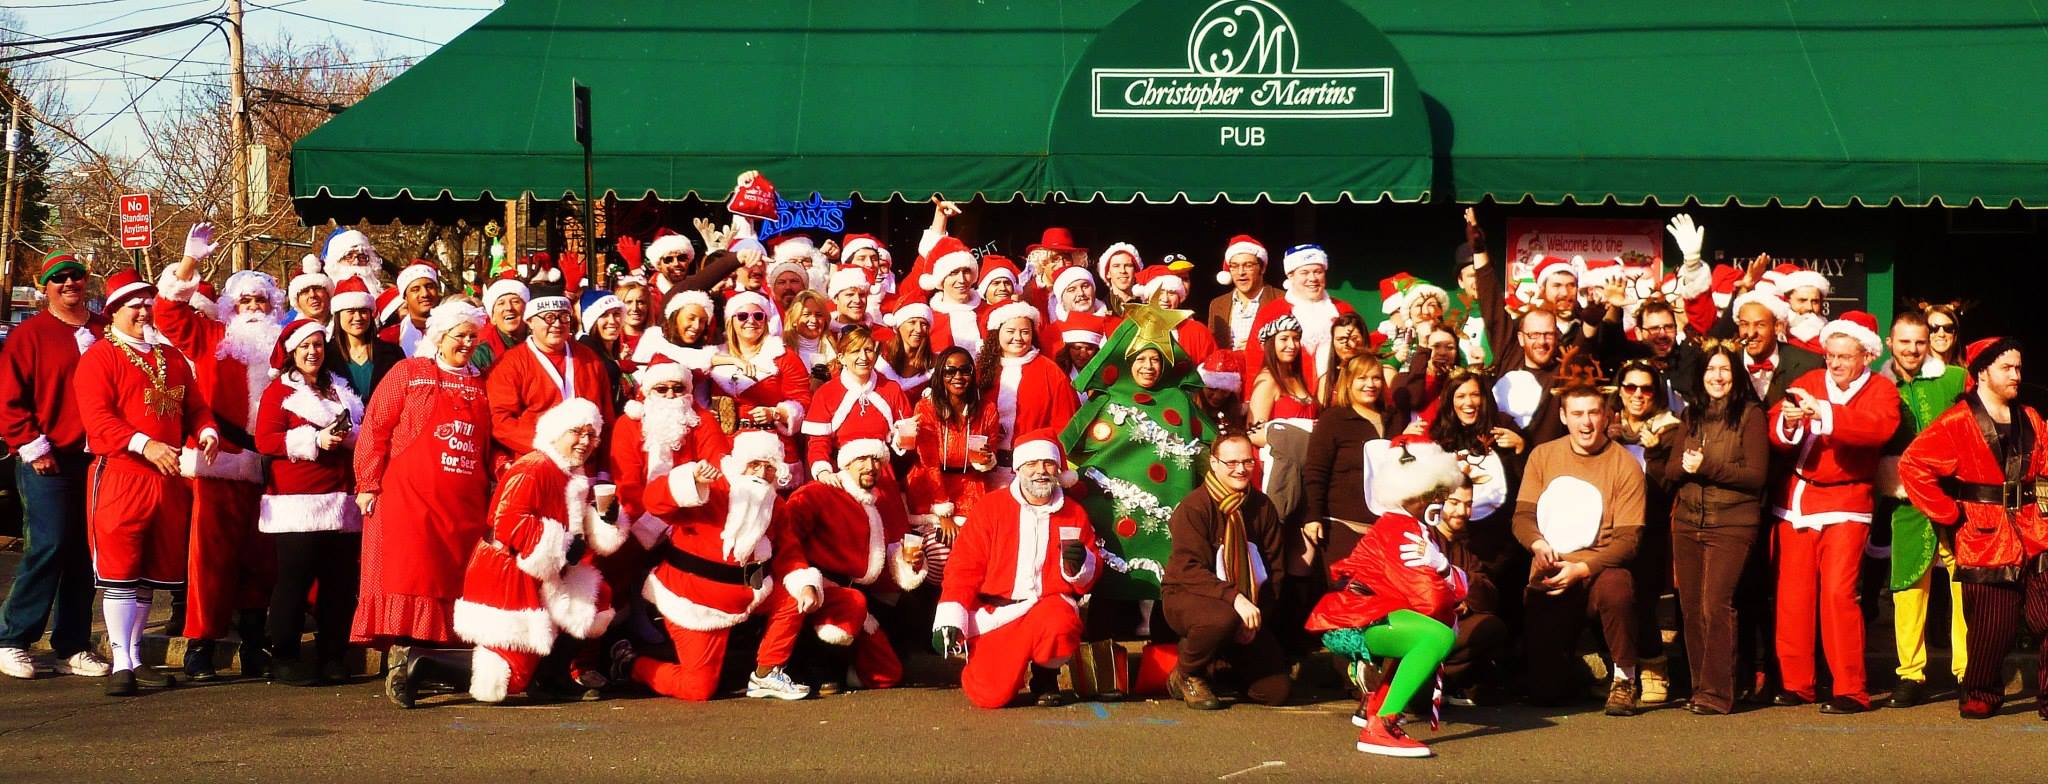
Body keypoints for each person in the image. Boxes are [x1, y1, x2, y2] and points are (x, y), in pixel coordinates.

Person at [75, 269, 221, 695]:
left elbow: (195, 407)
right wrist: (145, 444)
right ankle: (121, 662)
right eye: (133, 303)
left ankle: (137, 657)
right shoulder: (100, 358)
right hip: (122, 474)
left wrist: (207, 431)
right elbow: (98, 419)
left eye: (146, 302)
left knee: (147, 575)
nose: (143, 310)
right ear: (114, 311)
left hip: (167, 479)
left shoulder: (170, 357)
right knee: (120, 571)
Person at [153, 224, 282, 680]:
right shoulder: (211, 337)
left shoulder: (283, 345)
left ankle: (252, 643)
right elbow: (167, 313)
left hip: (268, 467)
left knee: (261, 559)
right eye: (244, 302)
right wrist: (190, 262)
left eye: (260, 302)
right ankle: (201, 646)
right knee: (209, 560)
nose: (252, 309)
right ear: (230, 307)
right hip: (218, 462)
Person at [354, 301, 496, 707]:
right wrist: (367, 482)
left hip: (464, 504)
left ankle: (439, 664)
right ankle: (402, 665)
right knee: (412, 577)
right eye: (460, 336)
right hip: (407, 500)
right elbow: (376, 428)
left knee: (453, 582)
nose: (467, 344)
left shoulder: (481, 383)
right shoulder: (409, 374)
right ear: (439, 336)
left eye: (473, 336)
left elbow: (490, 444)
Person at [1898, 337, 2048, 719]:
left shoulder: (2030, 417)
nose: (2016, 375)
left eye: (2018, 368)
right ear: (1983, 372)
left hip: (2032, 530)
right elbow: (1913, 465)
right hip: (1983, 536)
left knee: (2046, 617)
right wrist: (1948, 513)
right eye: (2007, 368)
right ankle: (1980, 692)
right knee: (1990, 629)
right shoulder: (1957, 421)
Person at [614, 430, 822, 702]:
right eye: (755, 464)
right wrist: (689, 482)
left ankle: (767, 673)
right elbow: (654, 502)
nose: (761, 472)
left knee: (798, 592)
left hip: (750, 595)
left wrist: (805, 584)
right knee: (697, 689)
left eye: (769, 467)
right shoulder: (710, 491)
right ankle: (631, 664)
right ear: (739, 464)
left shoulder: (775, 506)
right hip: (695, 603)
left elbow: (789, 553)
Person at [1767, 311, 1901, 714]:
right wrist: (1789, 421)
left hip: (1847, 502)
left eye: (1845, 356)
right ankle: (1797, 683)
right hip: (1798, 501)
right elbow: (1777, 426)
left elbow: (1876, 428)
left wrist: (1822, 413)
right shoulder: (1808, 382)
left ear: (1866, 356)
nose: (1836, 364)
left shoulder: (1881, 390)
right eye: (1831, 356)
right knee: (1793, 596)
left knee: (1840, 595)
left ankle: (1850, 688)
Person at [1307, 438, 1469, 758]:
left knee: (1423, 633)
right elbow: (1431, 601)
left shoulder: (1413, 526)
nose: (1438, 498)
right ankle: (1383, 725)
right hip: (1355, 620)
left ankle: (1376, 707)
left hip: (1366, 613)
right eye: (1433, 491)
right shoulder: (1402, 528)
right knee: (1434, 637)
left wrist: (1444, 570)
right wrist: (1448, 577)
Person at [454, 399, 625, 703]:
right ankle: (420, 662)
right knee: (510, 676)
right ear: (556, 432)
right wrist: (565, 545)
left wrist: (605, 519)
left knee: (597, 599)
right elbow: (508, 522)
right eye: (577, 432)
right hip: (505, 570)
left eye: (591, 435)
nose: (585, 442)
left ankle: (553, 675)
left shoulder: (570, 472)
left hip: (537, 569)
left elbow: (575, 524)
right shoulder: (534, 467)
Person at [1061, 304, 1215, 628]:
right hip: (1114, 518)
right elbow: (1069, 450)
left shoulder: (1180, 402)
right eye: (1141, 358)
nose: (1148, 366)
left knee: (1169, 592)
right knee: (1113, 596)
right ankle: (1105, 665)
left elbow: (1206, 453)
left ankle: (1168, 660)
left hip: (1169, 518)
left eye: (1156, 358)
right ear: (1128, 360)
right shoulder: (1105, 400)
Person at [0, 252, 113, 680]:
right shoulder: (29, 335)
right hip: (46, 457)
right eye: (59, 279)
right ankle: (12, 637)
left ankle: (73, 643)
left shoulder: (106, 330)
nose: (69, 284)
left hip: (98, 458)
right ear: (44, 285)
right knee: (48, 544)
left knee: (84, 552)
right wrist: (32, 445)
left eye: (76, 277)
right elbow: (9, 400)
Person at [931, 428, 1102, 709]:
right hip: (997, 613)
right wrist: (951, 616)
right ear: (1019, 468)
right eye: (1032, 464)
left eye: (1048, 463)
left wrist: (1080, 564)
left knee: (1060, 621)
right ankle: (997, 661)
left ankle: (1046, 676)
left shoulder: (1073, 512)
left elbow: (1087, 580)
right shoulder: (991, 508)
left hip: (1045, 609)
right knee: (989, 696)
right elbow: (964, 567)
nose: (1041, 471)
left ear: (1058, 469)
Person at [1515, 384, 1647, 715]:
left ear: (1606, 416)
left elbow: (1628, 541)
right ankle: (1580, 666)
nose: (1585, 423)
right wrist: (1537, 542)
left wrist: (1582, 569)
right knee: (1546, 695)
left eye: (1592, 413)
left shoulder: (1625, 465)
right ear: (1563, 417)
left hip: (1598, 572)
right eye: (1577, 414)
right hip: (1551, 574)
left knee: (1619, 586)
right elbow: (1522, 517)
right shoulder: (1543, 456)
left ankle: (1624, 678)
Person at [252, 319, 364, 686]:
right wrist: (314, 441)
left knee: (339, 583)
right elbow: (266, 440)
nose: (313, 352)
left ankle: (333, 653)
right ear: (292, 353)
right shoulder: (278, 392)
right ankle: (283, 655)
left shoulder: (340, 389)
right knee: (294, 582)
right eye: (305, 347)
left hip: (341, 501)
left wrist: (346, 438)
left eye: (318, 345)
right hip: (297, 503)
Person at [1662, 339, 1769, 714]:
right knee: (1691, 608)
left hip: (1732, 523)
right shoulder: (1691, 415)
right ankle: (1700, 687)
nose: (1717, 376)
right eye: (1710, 369)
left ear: (1736, 374)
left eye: (1724, 369)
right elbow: (1673, 470)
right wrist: (1685, 464)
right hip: (1689, 521)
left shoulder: (1751, 414)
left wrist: (1706, 466)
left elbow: (1755, 477)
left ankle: (1718, 694)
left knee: (1716, 605)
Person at [1876, 311, 1970, 708]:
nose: (1913, 349)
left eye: (1920, 341)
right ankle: (1911, 674)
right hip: (1906, 501)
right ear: (1889, 343)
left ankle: (1969, 672)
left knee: (1965, 585)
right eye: (1905, 342)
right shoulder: (1878, 387)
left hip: (1955, 498)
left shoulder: (1955, 379)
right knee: (1908, 589)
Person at [782, 440, 927, 693]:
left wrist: (909, 562)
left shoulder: (872, 502)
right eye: (862, 460)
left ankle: (847, 664)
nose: (870, 467)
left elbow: (881, 553)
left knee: (888, 672)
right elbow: (786, 537)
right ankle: (811, 665)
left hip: (855, 591)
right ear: (846, 464)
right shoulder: (817, 492)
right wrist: (805, 581)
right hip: (818, 592)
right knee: (853, 603)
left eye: (876, 461)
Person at [1161, 434, 1290, 711]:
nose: (1240, 469)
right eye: (1231, 462)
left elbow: (1275, 570)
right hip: (1189, 596)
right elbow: (1188, 569)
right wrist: (1235, 598)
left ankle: (1219, 665)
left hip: (1245, 608)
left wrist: (1257, 615)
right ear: (1214, 464)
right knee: (1221, 618)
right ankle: (1186, 673)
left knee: (1275, 692)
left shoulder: (1262, 506)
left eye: (1247, 461)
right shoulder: (1195, 507)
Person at [1426, 369, 1523, 622]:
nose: (1468, 403)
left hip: (1502, 541)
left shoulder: (1503, 428)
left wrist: (1522, 448)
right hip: (1461, 543)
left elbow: (1527, 481)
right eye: (1460, 396)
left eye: (1474, 395)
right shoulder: (1439, 437)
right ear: (1450, 401)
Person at [1611, 358, 1681, 702]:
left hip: (1649, 527)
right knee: (1613, 598)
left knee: (1642, 601)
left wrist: (1653, 451)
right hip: (1607, 526)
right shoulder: (1605, 427)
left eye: (1646, 388)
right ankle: (1621, 673)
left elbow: (1666, 485)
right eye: (1630, 387)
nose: (1637, 394)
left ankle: (1654, 667)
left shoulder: (1670, 430)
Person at [483, 295, 617, 472]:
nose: (557, 324)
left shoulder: (589, 359)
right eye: (548, 317)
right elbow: (501, 422)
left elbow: (606, 420)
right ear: (530, 321)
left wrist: (604, 471)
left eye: (563, 317)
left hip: (586, 468)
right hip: (538, 464)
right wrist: (551, 445)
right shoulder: (509, 363)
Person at [705, 291, 811, 479]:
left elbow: (803, 400)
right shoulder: (715, 357)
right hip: (730, 446)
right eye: (743, 316)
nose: (751, 321)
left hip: (773, 445)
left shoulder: (783, 356)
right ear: (731, 321)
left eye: (758, 316)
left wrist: (777, 413)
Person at [906, 347, 1001, 550]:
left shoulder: (987, 409)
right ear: (940, 374)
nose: (958, 376)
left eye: (965, 370)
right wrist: (943, 514)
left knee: (975, 548)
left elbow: (991, 452)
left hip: (971, 487)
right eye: (950, 371)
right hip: (931, 489)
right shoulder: (926, 408)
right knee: (939, 549)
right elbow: (928, 463)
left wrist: (987, 460)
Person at [972, 301, 1081, 472]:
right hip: (985, 469)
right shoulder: (982, 370)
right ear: (996, 333)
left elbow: (1065, 424)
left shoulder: (1050, 371)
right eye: (1010, 331)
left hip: (1032, 469)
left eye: (1025, 332)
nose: (1018, 338)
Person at [800, 327, 914, 485]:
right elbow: (818, 442)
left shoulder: (891, 389)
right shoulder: (826, 393)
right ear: (841, 357)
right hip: (841, 474)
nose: (863, 357)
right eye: (855, 351)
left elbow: (905, 433)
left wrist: (903, 440)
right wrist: (824, 472)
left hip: (881, 474)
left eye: (868, 350)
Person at [1303, 355, 1388, 563]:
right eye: (1362, 378)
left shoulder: (1393, 418)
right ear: (1348, 381)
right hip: (1343, 528)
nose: (1370, 384)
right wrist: (1313, 516)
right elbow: (1315, 472)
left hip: (1385, 531)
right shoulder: (1333, 420)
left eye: (1376, 378)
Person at [1433, 482, 1509, 706]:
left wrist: (1464, 591)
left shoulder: (1465, 547)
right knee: (1415, 704)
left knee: (1491, 627)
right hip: (1423, 627)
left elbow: (1488, 596)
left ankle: (1444, 681)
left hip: (1453, 629)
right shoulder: (1425, 538)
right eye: (1454, 503)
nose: (1462, 512)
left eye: (1468, 504)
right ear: (1437, 503)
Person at [1244, 244, 1356, 393]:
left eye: (1318, 272)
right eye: (1304, 272)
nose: (1313, 278)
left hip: (1339, 396)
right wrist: (1249, 397)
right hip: (1291, 398)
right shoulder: (1272, 312)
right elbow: (1254, 358)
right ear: (1291, 276)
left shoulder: (1343, 309)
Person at [1490, 308, 1568, 446]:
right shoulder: (1507, 360)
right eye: (1534, 334)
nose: (1542, 341)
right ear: (1521, 338)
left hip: (1539, 464)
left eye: (1548, 334)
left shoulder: (1563, 375)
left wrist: (1522, 445)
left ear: (1556, 337)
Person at [324, 276, 404, 402]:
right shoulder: (326, 356)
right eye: (351, 311)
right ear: (338, 316)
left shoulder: (392, 353)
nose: (358, 317)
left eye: (363, 311)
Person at [1204, 235, 1280, 354]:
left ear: (1262, 268)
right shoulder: (1217, 304)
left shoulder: (1281, 299)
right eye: (1234, 266)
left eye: (1248, 265)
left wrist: (1262, 348)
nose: (1241, 272)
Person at [921, 235, 986, 356]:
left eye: (966, 271)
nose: (961, 279)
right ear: (941, 280)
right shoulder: (929, 320)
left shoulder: (988, 313)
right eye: (953, 273)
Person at [577, 290, 631, 408]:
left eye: (616, 314)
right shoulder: (585, 356)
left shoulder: (611, 352)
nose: (612, 321)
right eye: (604, 315)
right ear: (592, 320)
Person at [467, 274, 530, 372]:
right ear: (493, 318)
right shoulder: (481, 354)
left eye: (515, 301)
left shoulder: (542, 344)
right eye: (501, 303)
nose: (509, 308)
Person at [378, 260, 441, 356]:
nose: (425, 294)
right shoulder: (389, 337)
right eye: (415, 290)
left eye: (430, 287)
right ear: (405, 297)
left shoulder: (455, 329)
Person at [878, 301, 936, 400]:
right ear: (899, 326)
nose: (918, 329)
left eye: (924, 324)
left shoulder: (935, 365)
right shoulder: (881, 360)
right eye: (912, 322)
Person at [786, 290, 836, 387]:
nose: (813, 320)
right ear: (795, 320)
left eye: (819, 315)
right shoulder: (782, 351)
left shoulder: (834, 353)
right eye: (806, 314)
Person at [1098, 242, 1143, 311]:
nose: (1122, 271)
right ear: (1108, 273)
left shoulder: (1146, 306)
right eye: (1116, 266)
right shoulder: (1099, 309)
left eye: (1128, 265)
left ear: (1136, 271)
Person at [1922, 301, 1963, 367]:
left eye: (1948, 328)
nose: (1941, 334)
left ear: (1955, 333)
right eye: (1934, 328)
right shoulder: (1915, 372)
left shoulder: (1964, 373)